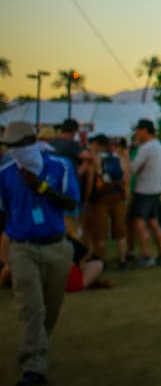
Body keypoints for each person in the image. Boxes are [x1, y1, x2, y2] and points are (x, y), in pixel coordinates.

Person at [0, 121, 81, 386]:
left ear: (32, 140)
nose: (14, 150)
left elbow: (71, 203)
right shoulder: (5, 172)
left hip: (57, 246)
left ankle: (36, 351)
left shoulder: (60, 166)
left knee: (50, 310)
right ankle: (33, 367)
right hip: (22, 247)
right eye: (10, 146)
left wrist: (42, 188)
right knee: (31, 308)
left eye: (19, 145)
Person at [87, 135, 131, 268]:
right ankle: (123, 260)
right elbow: (126, 179)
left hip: (101, 197)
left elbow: (91, 181)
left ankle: (102, 261)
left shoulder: (96, 159)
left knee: (101, 233)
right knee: (120, 232)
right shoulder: (120, 159)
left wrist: (87, 198)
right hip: (118, 196)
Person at [129, 119, 161, 267]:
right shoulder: (159, 146)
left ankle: (146, 255)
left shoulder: (146, 148)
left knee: (140, 221)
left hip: (144, 189)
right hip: (156, 188)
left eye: (138, 130)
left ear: (145, 130)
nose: (136, 133)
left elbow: (133, 167)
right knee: (153, 221)